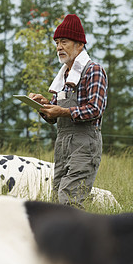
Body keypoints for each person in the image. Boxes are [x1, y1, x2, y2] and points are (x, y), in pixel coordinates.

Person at [29, 14, 107, 208]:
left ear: (79, 44)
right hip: (62, 143)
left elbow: (95, 110)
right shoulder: (65, 76)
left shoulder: (93, 71)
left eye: (64, 41)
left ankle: (76, 238)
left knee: (70, 200)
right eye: (56, 42)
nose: (59, 47)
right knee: (57, 200)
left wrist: (61, 112)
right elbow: (54, 117)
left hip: (84, 143)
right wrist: (43, 105)